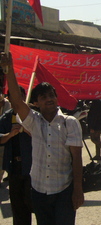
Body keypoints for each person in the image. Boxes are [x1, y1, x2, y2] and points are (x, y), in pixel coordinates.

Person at [1, 53, 84, 225]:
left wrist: (78, 189)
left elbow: (76, 158)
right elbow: (17, 102)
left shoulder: (70, 123)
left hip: (64, 191)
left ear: (56, 98)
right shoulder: (34, 122)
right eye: (43, 97)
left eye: (51, 95)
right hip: (38, 192)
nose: (48, 99)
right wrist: (9, 70)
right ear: (36, 103)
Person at [0, 86, 33, 225]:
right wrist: (9, 135)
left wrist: (28, 130)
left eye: (20, 96)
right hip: (14, 169)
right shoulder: (7, 117)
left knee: (35, 205)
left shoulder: (33, 116)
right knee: (18, 209)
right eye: (14, 96)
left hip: (33, 169)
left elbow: (46, 136)